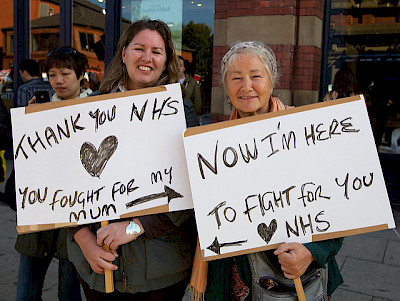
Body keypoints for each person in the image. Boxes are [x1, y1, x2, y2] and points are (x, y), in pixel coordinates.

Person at [193, 41, 343, 301]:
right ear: (226, 87)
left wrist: (311, 252)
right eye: (236, 78)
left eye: (256, 76)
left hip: (294, 280)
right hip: (233, 280)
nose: (246, 86)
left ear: (272, 82)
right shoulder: (211, 147)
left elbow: (338, 206)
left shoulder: (304, 132)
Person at [67, 19, 199, 301]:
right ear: (124, 53)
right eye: (139, 48)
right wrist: (84, 240)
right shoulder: (91, 109)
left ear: (166, 60)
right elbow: (65, 185)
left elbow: (190, 190)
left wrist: (134, 226)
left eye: (157, 51)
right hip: (96, 269)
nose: (147, 57)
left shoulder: (181, 114)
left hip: (160, 272)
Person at [15, 47, 88, 301]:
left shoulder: (96, 109)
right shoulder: (39, 110)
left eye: (66, 73)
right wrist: (29, 122)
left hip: (77, 211)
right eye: (53, 74)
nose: (58, 80)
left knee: (68, 290)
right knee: (26, 288)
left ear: (81, 75)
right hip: (41, 205)